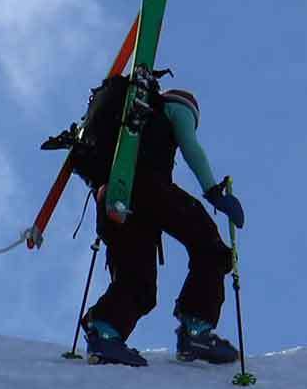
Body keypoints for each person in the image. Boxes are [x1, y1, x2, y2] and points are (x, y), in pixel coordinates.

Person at [81, 87, 247, 367]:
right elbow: (191, 148)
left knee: (137, 276)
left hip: (111, 194)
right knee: (208, 243)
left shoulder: (123, 120)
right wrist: (214, 192)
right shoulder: (178, 105)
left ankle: (106, 331)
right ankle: (196, 329)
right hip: (148, 186)